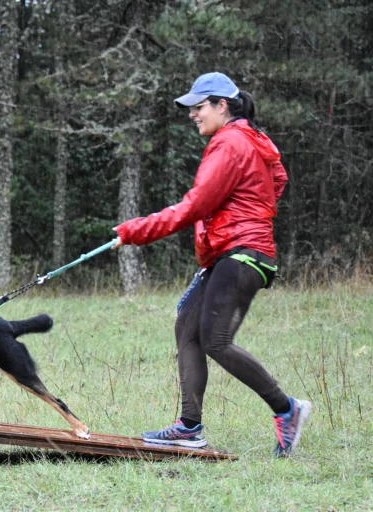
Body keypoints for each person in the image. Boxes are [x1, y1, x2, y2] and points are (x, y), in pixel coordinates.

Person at [110, 72, 311, 457]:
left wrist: (135, 231)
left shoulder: (230, 142)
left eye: (199, 107)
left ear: (222, 105)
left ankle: (287, 409)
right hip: (233, 251)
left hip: (242, 252)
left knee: (216, 340)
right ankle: (189, 427)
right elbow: (276, 180)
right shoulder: (250, 139)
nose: (193, 115)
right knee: (188, 325)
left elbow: (194, 205)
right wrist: (243, 213)